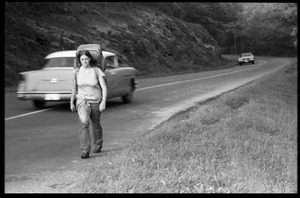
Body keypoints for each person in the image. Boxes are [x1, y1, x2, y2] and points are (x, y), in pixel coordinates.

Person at [70, 50, 107, 159]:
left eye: (86, 59)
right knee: (83, 125)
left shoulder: (96, 71)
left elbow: (104, 87)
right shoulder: (76, 72)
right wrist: (71, 101)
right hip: (82, 101)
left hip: (95, 100)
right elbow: (73, 88)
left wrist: (103, 101)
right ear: (79, 61)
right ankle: (85, 150)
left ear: (90, 59)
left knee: (96, 124)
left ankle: (98, 143)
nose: (84, 61)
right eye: (82, 59)